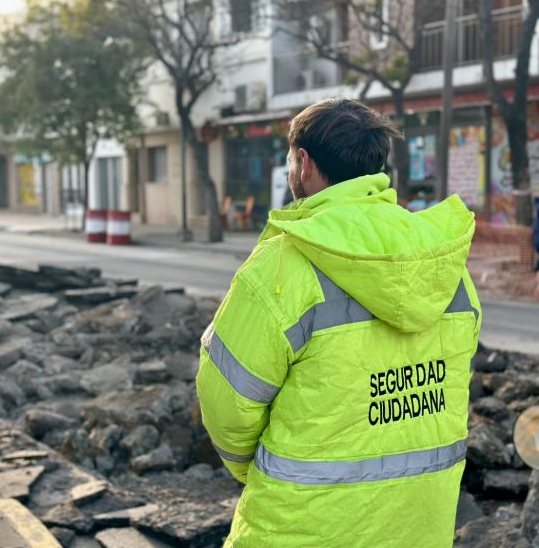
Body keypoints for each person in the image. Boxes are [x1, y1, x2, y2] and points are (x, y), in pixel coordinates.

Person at [197, 98, 481, 548]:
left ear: (304, 164)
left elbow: (227, 405)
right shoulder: (444, 265)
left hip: (301, 528)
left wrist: (257, 468)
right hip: (418, 526)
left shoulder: (280, 268)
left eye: (292, 160)